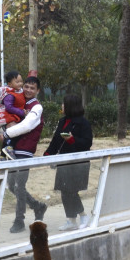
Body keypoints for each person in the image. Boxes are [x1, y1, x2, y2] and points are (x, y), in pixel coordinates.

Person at [0, 75, 47, 233]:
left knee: (19, 186)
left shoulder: (36, 107)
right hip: (13, 150)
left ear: (38, 91)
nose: (28, 90)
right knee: (12, 185)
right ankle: (37, 206)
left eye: (32, 88)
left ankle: (19, 220)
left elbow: (27, 126)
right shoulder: (19, 102)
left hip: (25, 151)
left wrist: (6, 134)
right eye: (26, 86)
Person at [43, 93, 93, 231]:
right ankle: (71, 220)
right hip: (64, 161)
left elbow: (87, 143)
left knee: (71, 191)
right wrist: (48, 154)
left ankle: (83, 215)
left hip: (78, 163)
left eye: (64, 104)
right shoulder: (62, 121)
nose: (62, 106)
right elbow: (56, 141)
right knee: (64, 191)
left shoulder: (83, 123)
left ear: (71, 106)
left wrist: (72, 140)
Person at [0, 71, 25, 160]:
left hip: (16, 116)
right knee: (16, 131)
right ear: (9, 84)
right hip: (10, 117)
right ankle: (9, 147)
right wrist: (22, 112)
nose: (20, 83)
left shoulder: (19, 91)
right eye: (17, 82)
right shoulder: (9, 95)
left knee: (14, 133)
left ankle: (2, 156)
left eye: (21, 81)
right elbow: (9, 108)